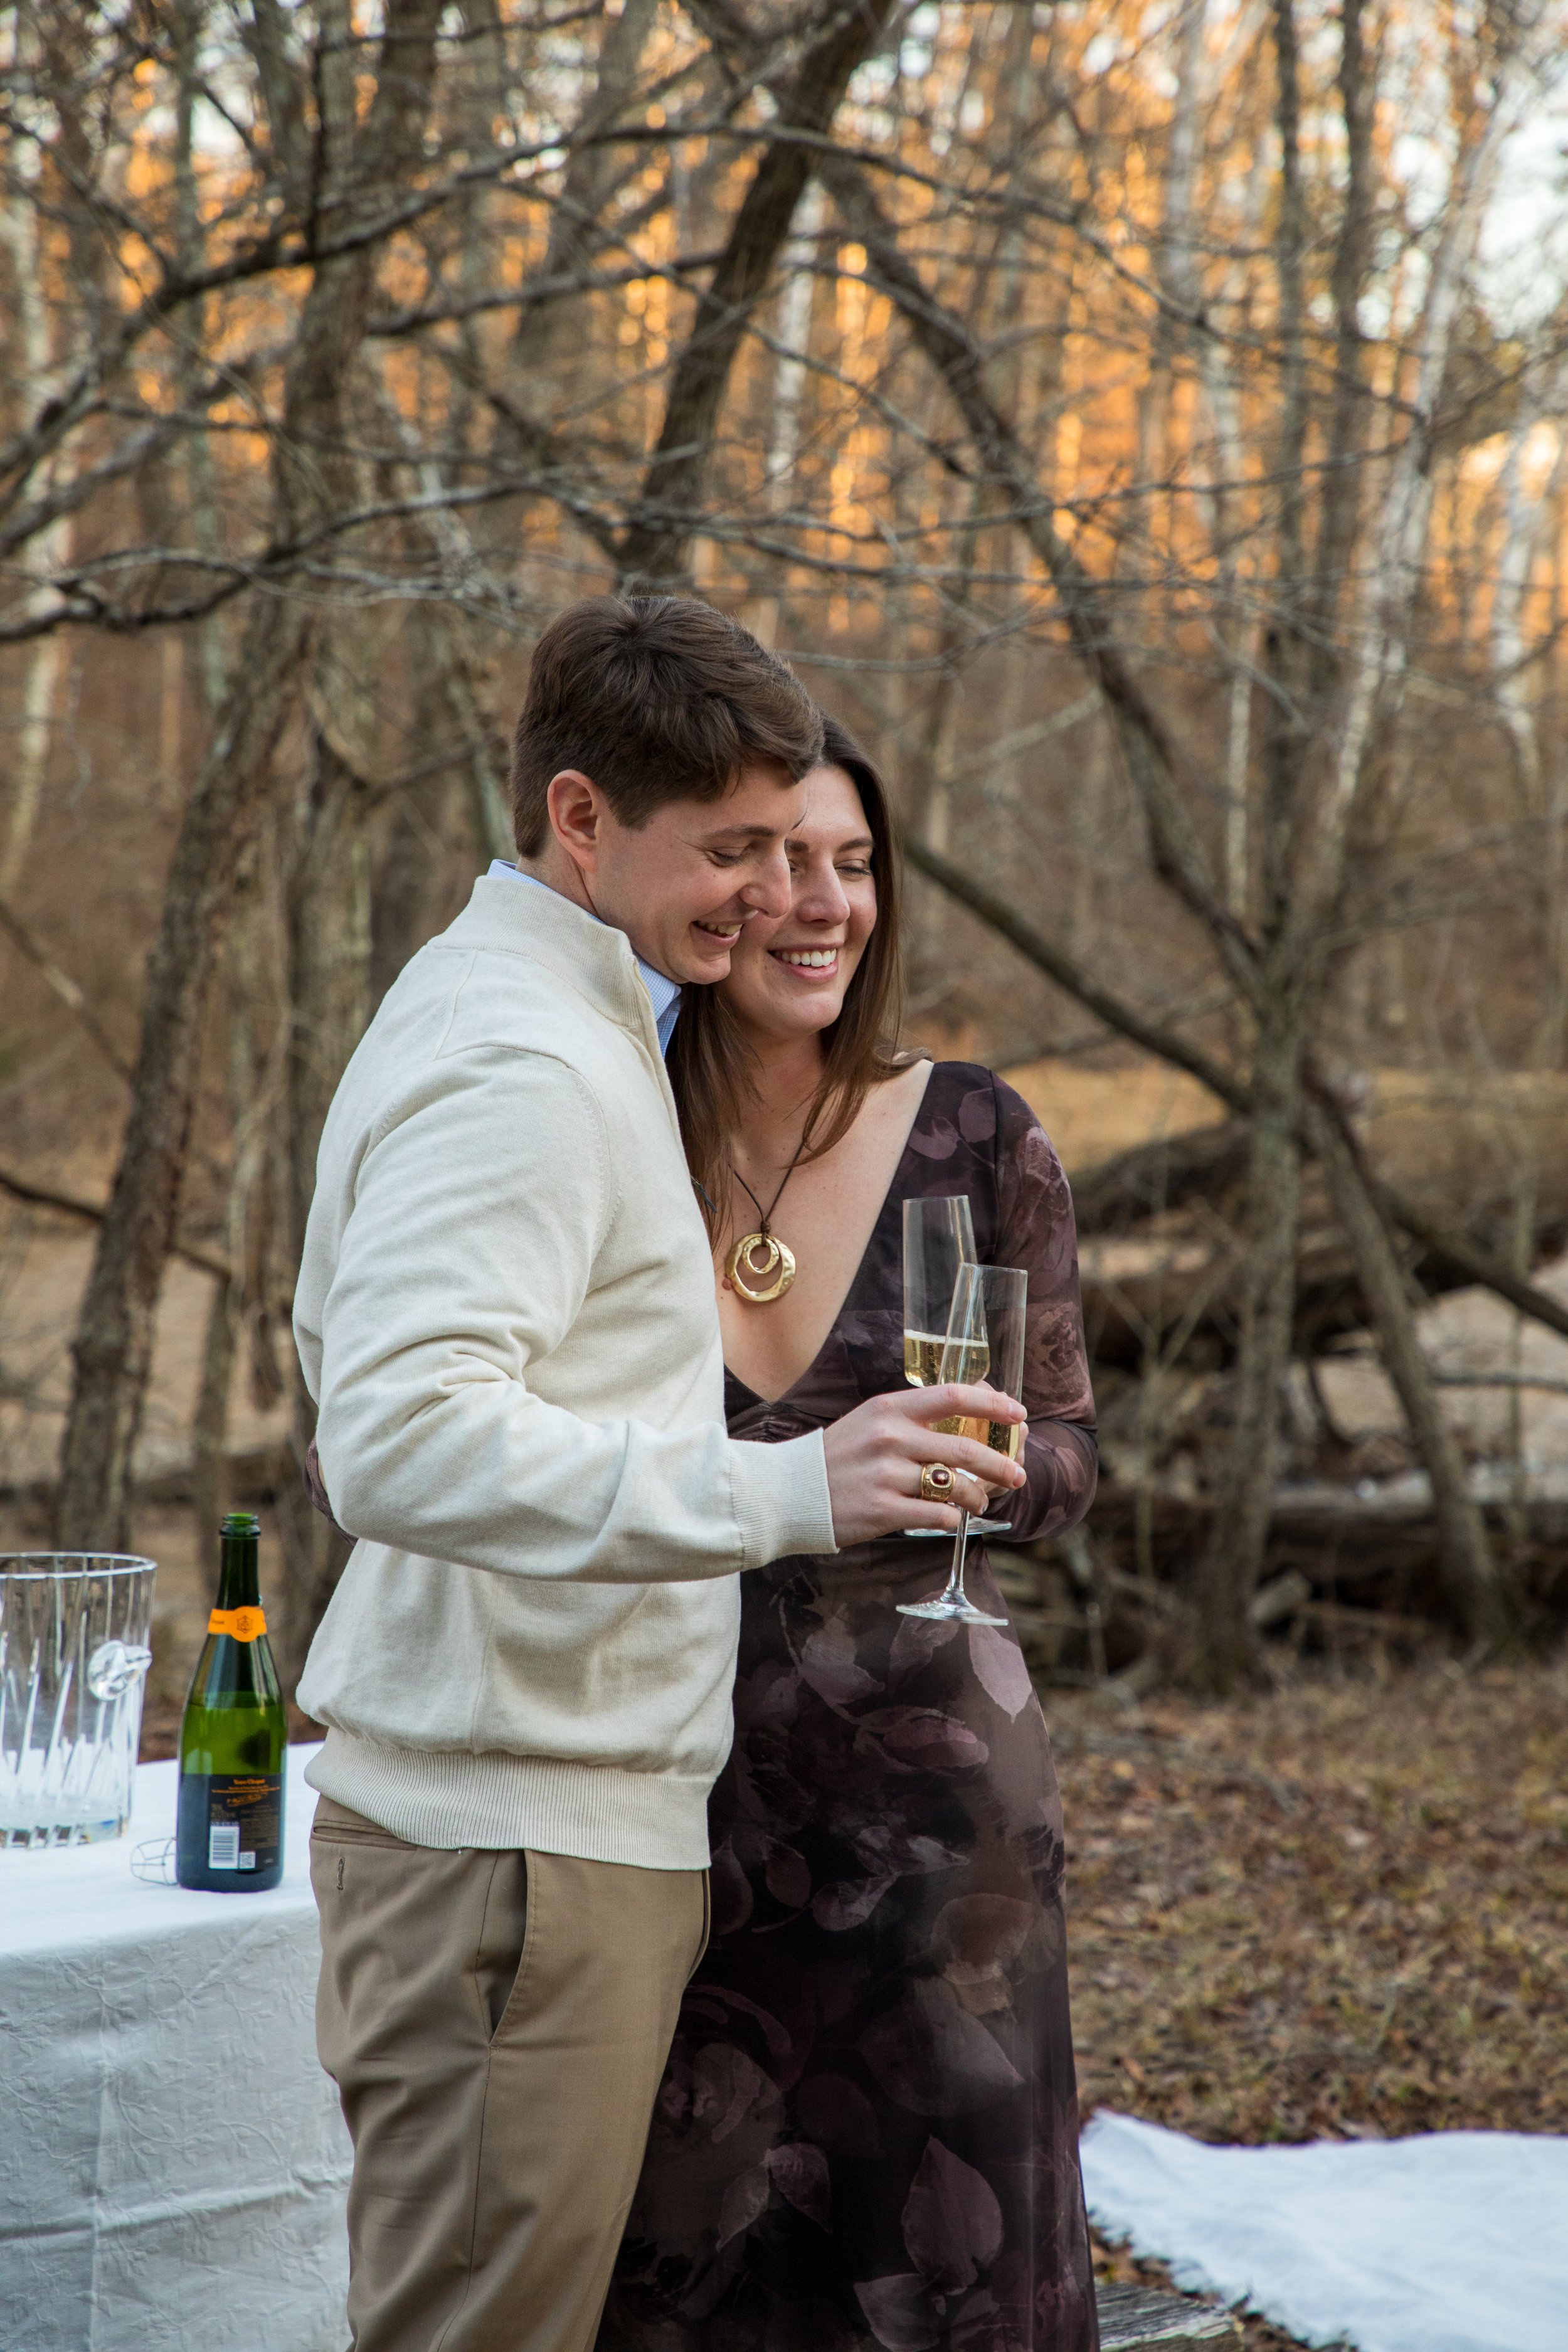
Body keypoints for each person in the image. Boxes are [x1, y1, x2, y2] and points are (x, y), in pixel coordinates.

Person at [292, 600, 1024, 2352]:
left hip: (537, 1825)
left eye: (794, 848)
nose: (772, 896)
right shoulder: (526, 1063)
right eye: (730, 850)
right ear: (580, 816)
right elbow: (392, 1435)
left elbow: (359, 1359)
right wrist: (786, 1490)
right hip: (515, 1853)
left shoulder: (545, 1013)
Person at [598, 715, 1101, 2351]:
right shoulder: (602, 1124)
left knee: (934, 2271)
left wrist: (988, 1475)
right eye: (773, 859)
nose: (820, 903)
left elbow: (1073, 1454)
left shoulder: (976, 1128)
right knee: (689, 2267)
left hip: (937, 1815)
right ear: (698, 884)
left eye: (854, 863)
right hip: (661, 1790)